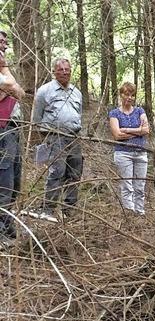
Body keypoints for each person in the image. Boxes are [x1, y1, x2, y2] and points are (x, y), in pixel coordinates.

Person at [31, 58, 83, 222]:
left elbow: (78, 114)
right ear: (54, 71)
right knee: (57, 172)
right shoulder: (45, 91)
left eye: (67, 69)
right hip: (55, 136)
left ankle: (69, 209)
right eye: (60, 69)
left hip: (74, 136)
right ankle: (49, 208)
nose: (64, 72)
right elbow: (36, 118)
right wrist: (45, 137)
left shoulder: (76, 92)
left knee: (74, 172)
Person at [108, 82, 150, 216]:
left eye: (132, 95)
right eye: (126, 94)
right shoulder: (114, 113)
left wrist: (126, 129)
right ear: (121, 95)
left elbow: (146, 130)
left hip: (140, 152)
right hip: (123, 153)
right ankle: (129, 213)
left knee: (140, 185)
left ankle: (140, 212)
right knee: (127, 185)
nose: (129, 97)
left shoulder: (140, 111)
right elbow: (117, 135)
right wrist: (138, 131)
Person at [0, 29, 25, 247]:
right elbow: (10, 87)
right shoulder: (4, 70)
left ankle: (8, 228)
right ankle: (2, 233)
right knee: (4, 183)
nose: (4, 46)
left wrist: (11, 87)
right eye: (0, 42)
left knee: (15, 182)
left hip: (13, 130)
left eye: (6, 42)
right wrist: (5, 67)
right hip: (1, 131)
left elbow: (21, 93)